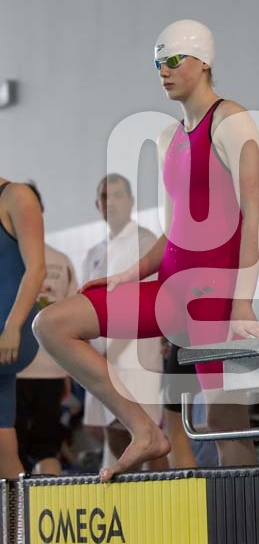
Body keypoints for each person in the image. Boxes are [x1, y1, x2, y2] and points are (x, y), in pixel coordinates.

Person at [34, 19, 259, 481]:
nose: (163, 71)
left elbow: (255, 217)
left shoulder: (231, 120)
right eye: (157, 62)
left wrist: (241, 302)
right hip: (168, 293)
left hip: (216, 298)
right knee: (53, 324)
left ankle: (245, 522)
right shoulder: (168, 139)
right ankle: (143, 430)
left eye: (174, 60)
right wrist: (130, 273)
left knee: (225, 425)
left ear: (205, 62)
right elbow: (175, 232)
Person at [82, 174, 166, 471]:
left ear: (131, 201)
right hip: (102, 359)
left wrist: (113, 351)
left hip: (136, 358)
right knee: (115, 437)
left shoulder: (145, 242)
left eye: (118, 195)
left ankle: (165, 497)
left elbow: (148, 302)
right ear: (97, 204)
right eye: (105, 196)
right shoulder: (94, 253)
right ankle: (132, 499)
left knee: (149, 439)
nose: (111, 202)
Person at [15, 183, 77, 475]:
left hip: (13, 370)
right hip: (51, 370)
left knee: (10, 452)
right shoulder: (61, 261)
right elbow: (72, 323)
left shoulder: (8, 257)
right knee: (46, 451)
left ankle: (13, 507)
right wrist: (66, 371)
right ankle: (41, 505)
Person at [0, 178, 45, 478]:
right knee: (3, 442)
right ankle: (16, 508)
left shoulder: (16, 196)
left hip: (11, 330)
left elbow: (36, 268)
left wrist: (13, 325)